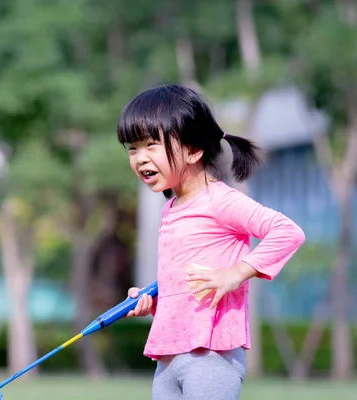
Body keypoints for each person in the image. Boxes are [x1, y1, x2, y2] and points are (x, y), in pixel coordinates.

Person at [118, 84, 305, 400]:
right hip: (168, 358)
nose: (140, 158)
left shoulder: (221, 201)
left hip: (212, 357)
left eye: (151, 145)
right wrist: (154, 298)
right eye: (133, 149)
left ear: (193, 150)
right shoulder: (170, 209)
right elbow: (186, 283)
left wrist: (236, 273)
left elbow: (287, 232)